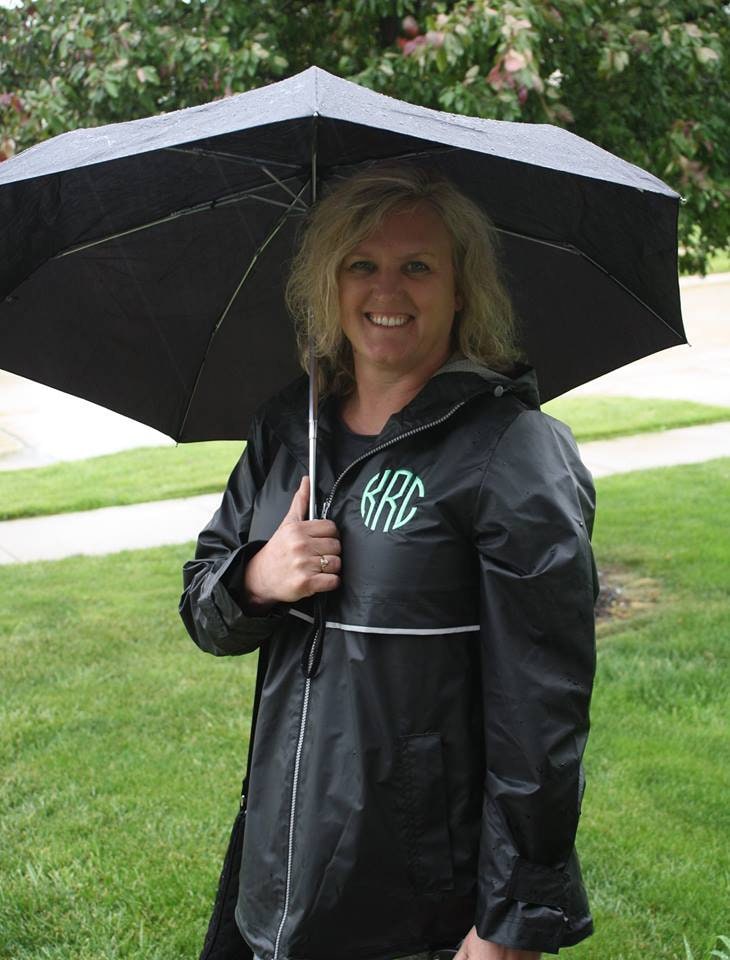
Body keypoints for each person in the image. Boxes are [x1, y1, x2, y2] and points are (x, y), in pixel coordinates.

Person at [179, 165, 598, 960]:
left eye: (418, 266)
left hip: (417, 903)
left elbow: (541, 710)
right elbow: (203, 607)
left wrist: (510, 917)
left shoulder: (511, 451)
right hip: (277, 874)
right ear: (328, 284)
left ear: (462, 289)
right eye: (361, 264)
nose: (387, 290)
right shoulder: (287, 428)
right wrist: (259, 579)